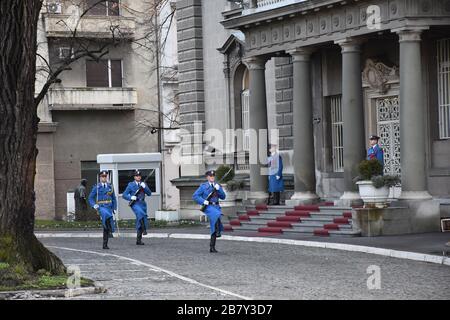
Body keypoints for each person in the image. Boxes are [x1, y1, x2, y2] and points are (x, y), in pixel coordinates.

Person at [192, 170, 226, 253]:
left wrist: (219, 190)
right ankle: (218, 231)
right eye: (210, 176)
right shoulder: (203, 186)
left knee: (213, 225)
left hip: (216, 206)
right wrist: (203, 201)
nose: (212, 177)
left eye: (213, 176)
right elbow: (195, 196)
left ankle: (212, 247)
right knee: (217, 214)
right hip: (208, 206)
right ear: (207, 177)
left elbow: (223, 197)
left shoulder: (217, 186)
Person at [88, 170, 117, 250]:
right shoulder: (96, 187)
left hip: (109, 207)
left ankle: (105, 243)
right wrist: (94, 205)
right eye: (102, 177)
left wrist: (114, 208)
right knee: (106, 215)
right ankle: (110, 230)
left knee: (106, 225)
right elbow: (90, 198)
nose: (104, 178)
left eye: (105, 176)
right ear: (100, 178)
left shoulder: (110, 187)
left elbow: (113, 198)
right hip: (101, 207)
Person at [122, 170, 152, 245]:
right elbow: (124, 195)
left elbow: (149, 194)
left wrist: (145, 187)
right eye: (136, 176)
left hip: (142, 204)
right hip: (135, 203)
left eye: (139, 176)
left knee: (141, 219)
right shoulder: (131, 185)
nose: (138, 177)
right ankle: (144, 230)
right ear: (134, 177)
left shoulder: (143, 184)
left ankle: (138, 240)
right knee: (140, 213)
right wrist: (131, 197)